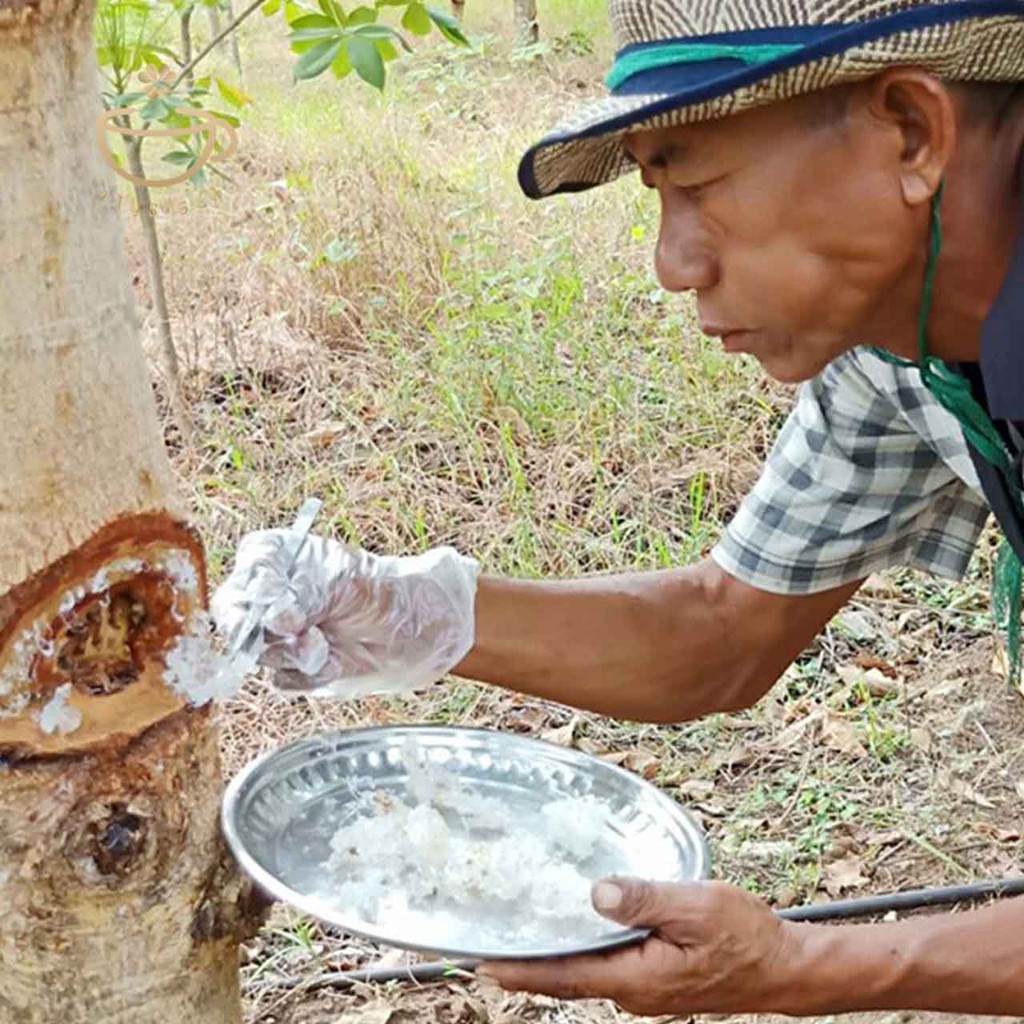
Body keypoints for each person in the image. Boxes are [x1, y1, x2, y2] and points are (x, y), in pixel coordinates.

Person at [212, 0, 1024, 1015]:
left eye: (694, 180)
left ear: (911, 129)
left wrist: (801, 969)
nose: (671, 262)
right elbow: (725, 629)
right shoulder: (898, 345)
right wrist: (414, 611)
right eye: (656, 193)